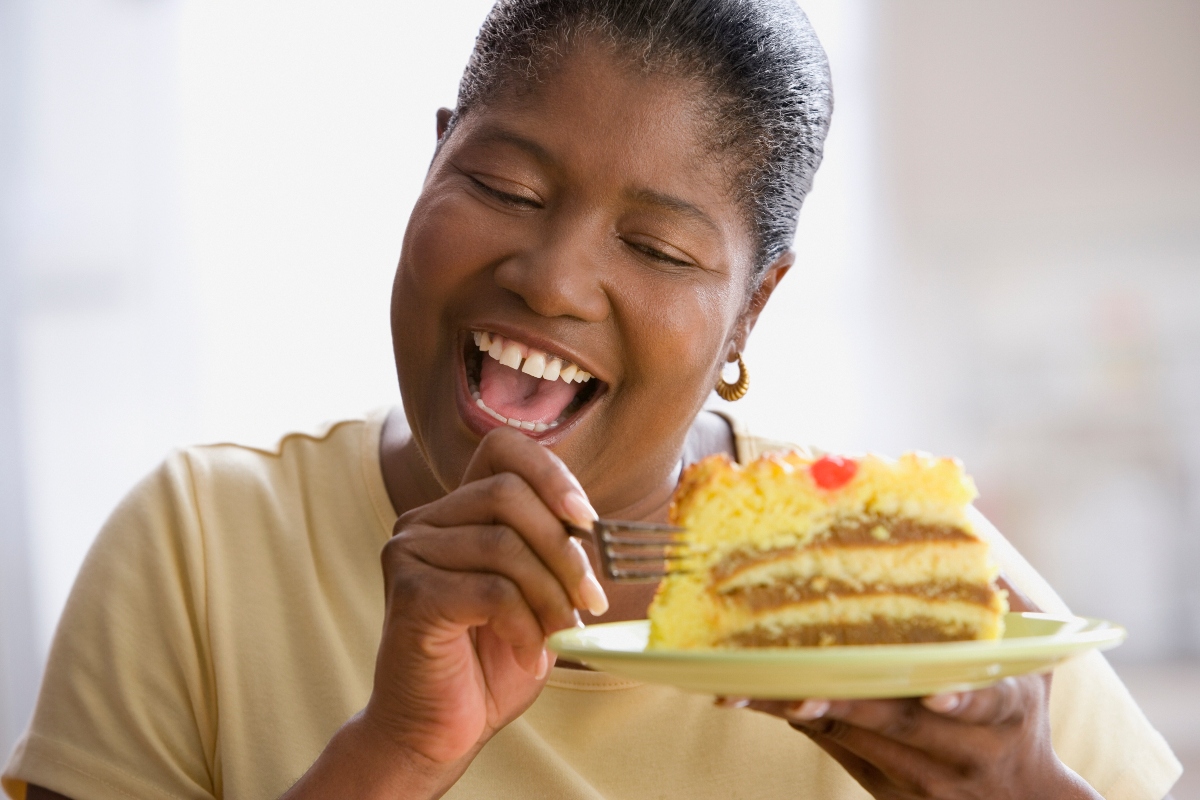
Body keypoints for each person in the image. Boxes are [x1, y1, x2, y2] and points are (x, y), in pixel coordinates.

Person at [3, 1, 1182, 798]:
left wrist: (1024, 789)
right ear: (432, 160)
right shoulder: (201, 547)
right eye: (504, 186)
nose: (553, 278)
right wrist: (396, 753)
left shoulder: (912, 586)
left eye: (659, 249)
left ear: (752, 308)